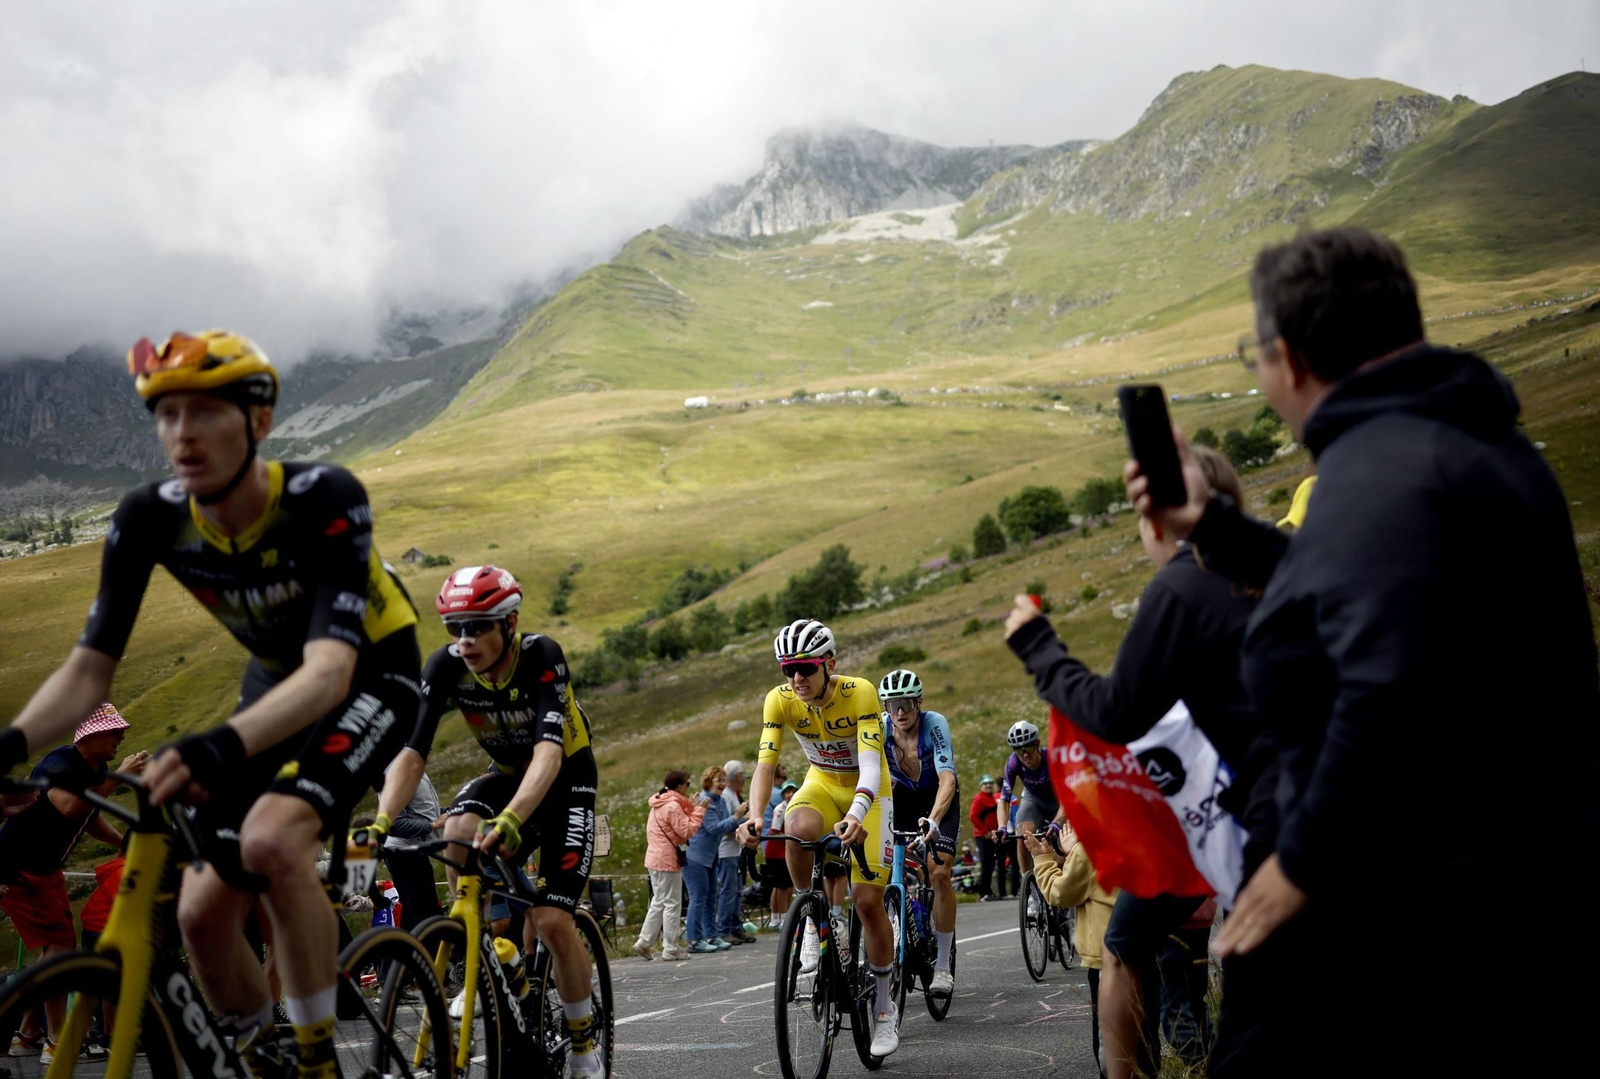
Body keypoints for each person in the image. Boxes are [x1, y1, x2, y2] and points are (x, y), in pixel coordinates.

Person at [1127, 227, 1600, 1076]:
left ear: (1291, 357)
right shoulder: (1463, 444)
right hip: (1516, 884)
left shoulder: (1374, 474)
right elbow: (1348, 580)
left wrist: (1300, 861)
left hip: (1414, 911)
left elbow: (1383, 688)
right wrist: (1214, 527)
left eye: (1255, 357)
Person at [0, 331, 424, 1079]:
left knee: (272, 840)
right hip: (274, 681)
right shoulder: (148, 515)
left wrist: (219, 744)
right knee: (199, 912)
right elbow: (88, 673)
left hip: (370, 674)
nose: (182, 433)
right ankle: (261, 1057)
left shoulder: (322, 497)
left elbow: (330, 671)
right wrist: (10, 745)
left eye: (204, 411)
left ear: (258, 421)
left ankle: (316, 1057)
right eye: (166, 415)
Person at [1005, 446, 1267, 1079]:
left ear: (1156, 521)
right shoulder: (1277, 565)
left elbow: (1115, 710)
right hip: (1288, 802)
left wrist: (1039, 647)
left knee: (1123, 948)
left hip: (1240, 819)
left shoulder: (1182, 583)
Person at [368, 564, 604, 1077]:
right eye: (455, 628)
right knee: (456, 831)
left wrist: (514, 818)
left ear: (509, 623)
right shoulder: (445, 665)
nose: (465, 640)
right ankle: (486, 959)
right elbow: (413, 753)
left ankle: (584, 1045)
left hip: (565, 781)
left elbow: (548, 753)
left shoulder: (541, 656)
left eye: (477, 626)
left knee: (551, 920)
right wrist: (382, 822)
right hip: (508, 774)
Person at [740, 618, 900, 1058]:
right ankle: (813, 917)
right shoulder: (780, 700)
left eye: (806, 668)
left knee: (867, 901)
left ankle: (884, 1007)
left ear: (829, 663)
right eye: (788, 669)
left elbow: (871, 765)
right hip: (823, 784)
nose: (797, 678)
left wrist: (857, 814)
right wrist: (754, 817)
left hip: (870, 793)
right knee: (797, 830)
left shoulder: (859, 692)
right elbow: (765, 766)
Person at [0, 705, 147, 1063]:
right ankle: (56, 1042)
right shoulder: (60, 765)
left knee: (55, 951)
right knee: (61, 949)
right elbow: (69, 806)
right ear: (91, 734)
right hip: (19, 870)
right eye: (115, 731)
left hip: (44, 871)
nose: (121, 736)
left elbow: (89, 816)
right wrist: (121, 776)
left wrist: (124, 844)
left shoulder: (97, 770)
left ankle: (28, 1034)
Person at [879, 669, 960, 997]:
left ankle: (942, 965)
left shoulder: (934, 724)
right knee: (879, 873)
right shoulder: (881, 729)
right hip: (902, 797)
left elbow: (947, 778)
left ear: (919, 703)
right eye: (893, 705)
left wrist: (934, 818)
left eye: (907, 703)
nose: (900, 711)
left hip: (938, 797)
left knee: (938, 873)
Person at [1025, 828, 1116, 1079]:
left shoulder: (1089, 849)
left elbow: (1060, 892)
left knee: (1110, 1040)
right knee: (1145, 1028)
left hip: (1105, 957)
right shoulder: (1140, 834)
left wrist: (1044, 858)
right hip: (1146, 949)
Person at [634, 770, 705, 961]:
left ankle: (644, 942)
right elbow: (687, 830)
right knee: (672, 904)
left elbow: (678, 825)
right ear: (680, 786)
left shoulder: (660, 802)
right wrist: (698, 810)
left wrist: (690, 807)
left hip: (654, 858)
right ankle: (671, 948)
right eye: (687, 784)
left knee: (659, 901)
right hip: (667, 860)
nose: (688, 787)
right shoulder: (672, 806)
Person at [376, 762, 443, 933]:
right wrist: (432, 825)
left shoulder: (413, 766)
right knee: (427, 916)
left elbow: (419, 811)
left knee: (414, 916)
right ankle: (431, 950)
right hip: (404, 855)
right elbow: (394, 824)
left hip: (412, 852)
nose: (431, 748)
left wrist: (448, 812)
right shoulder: (397, 774)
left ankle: (407, 949)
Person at [998, 721, 1063, 875]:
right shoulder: (1013, 763)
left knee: (1063, 851)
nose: (1025, 755)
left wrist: (1057, 822)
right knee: (1023, 835)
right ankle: (1027, 881)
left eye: (1029, 748)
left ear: (1038, 744)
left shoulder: (1052, 759)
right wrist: (1002, 826)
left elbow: (1068, 799)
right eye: (1019, 751)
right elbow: (1004, 801)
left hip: (1060, 802)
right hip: (1034, 800)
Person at [684, 766, 733, 952]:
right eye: (719, 780)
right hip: (695, 857)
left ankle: (711, 936)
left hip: (711, 856)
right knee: (698, 898)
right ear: (708, 782)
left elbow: (728, 826)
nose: (723, 784)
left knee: (711, 897)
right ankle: (694, 940)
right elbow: (713, 827)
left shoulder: (721, 800)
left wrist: (744, 820)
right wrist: (737, 816)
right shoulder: (705, 800)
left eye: (724, 780)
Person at [716, 760, 755, 944]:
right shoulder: (726, 796)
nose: (744, 779)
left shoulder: (733, 795)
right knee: (728, 891)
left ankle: (735, 926)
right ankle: (724, 929)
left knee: (737, 891)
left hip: (736, 851)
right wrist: (744, 820)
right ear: (737, 776)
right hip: (727, 851)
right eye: (742, 775)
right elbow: (725, 826)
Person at [763, 781, 799, 928]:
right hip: (776, 851)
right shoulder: (780, 809)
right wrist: (793, 837)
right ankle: (783, 918)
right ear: (783, 794)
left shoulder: (794, 807)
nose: (791, 794)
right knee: (782, 886)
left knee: (783, 886)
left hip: (784, 850)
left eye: (793, 791)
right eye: (787, 792)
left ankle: (776, 918)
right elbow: (774, 831)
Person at [968, 774, 1002, 899]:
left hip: (992, 836)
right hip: (983, 837)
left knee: (991, 864)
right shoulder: (979, 799)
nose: (988, 785)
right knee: (986, 864)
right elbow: (973, 816)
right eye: (985, 784)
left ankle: (988, 891)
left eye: (990, 783)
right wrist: (984, 831)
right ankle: (983, 892)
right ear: (981, 786)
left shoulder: (992, 798)